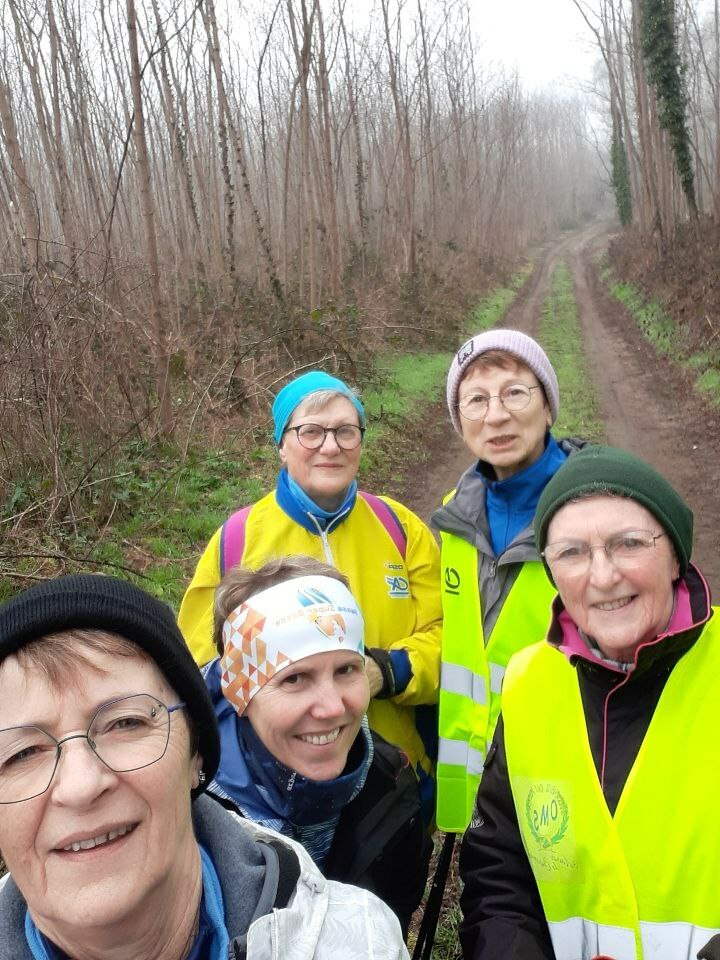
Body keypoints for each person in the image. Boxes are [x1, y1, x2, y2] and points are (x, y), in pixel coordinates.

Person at [0, 574, 410, 960]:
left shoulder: (364, 940)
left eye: (125, 723)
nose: (81, 785)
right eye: (21, 753)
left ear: (195, 748)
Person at [459, 445, 719, 960]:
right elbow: (500, 871)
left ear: (675, 556)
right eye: (572, 553)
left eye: (629, 544)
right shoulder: (529, 681)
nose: (602, 576)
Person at [179, 370, 442, 819]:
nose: (331, 446)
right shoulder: (237, 540)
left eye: (345, 431)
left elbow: (449, 637)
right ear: (282, 446)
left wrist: (387, 671)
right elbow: (200, 669)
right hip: (272, 794)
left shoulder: (400, 528)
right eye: (311, 432)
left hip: (395, 780)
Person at [203, 555, 432, 937]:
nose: (332, 708)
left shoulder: (391, 786)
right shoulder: (184, 811)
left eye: (346, 669)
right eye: (294, 679)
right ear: (239, 692)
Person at [432, 329, 583, 833]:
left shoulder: (593, 512)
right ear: (460, 422)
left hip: (571, 776)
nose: (496, 415)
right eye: (476, 400)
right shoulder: (456, 516)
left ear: (548, 406)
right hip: (479, 780)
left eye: (515, 392)